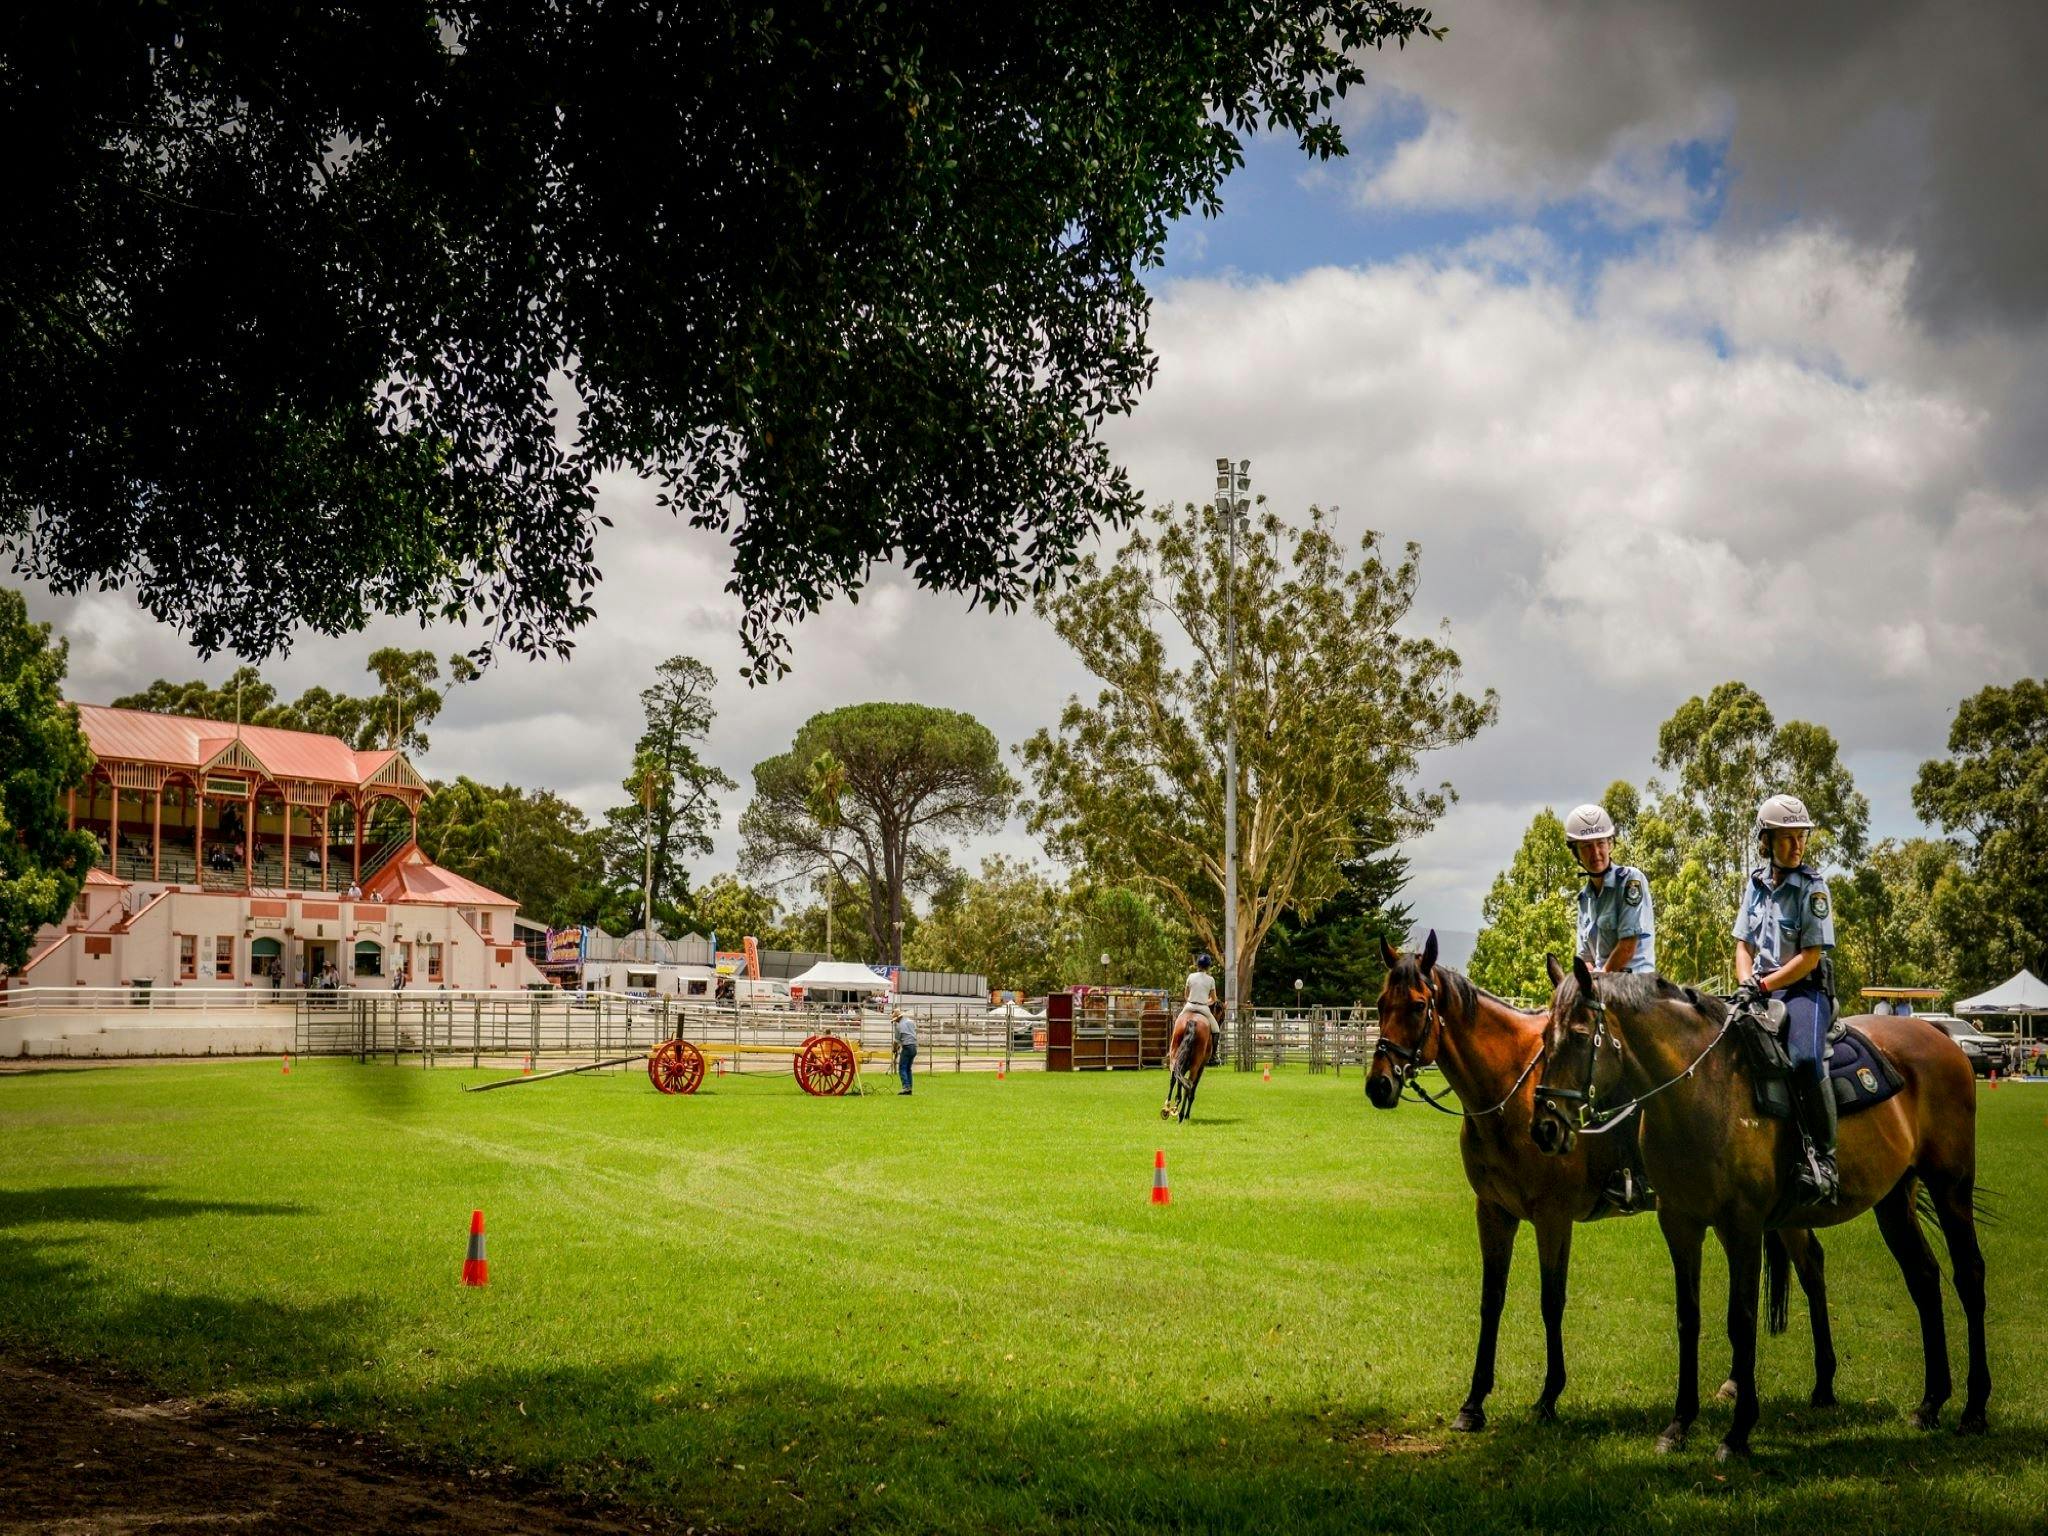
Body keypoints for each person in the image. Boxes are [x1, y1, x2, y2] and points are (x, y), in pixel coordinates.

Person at [1732, 793, 1839, 1204]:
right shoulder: (1756, 884)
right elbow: (1743, 943)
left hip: (1804, 991)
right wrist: (1746, 983)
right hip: (1758, 988)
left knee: (1807, 1059)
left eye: (1802, 837)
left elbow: (1810, 958)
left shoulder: (1813, 888)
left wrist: (1762, 986)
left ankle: (1825, 1162)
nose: (1797, 846)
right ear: (1767, 842)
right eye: (1788, 838)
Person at [1563, 802, 1657, 1214]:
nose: (1596, 852)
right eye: (1587, 847)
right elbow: (1585, 951)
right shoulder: (1585, 896)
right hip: (1601, 991)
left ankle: (1642, 1173)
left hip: (1635, 991)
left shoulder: (1631, 882)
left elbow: (1628, 944)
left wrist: (1595, 977)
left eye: (1601, 843)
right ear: (1577, 854)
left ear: (1612, 843)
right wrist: (1583, 973)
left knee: (1628, 1079)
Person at [892, 1008, 918, 1095]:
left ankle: (906, 1087)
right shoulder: (910, 1022)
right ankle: (910, 1087)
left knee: (902, 1068)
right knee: (908, 1068)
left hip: (907, 1046)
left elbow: (896, 1040)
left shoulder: (899, 1026)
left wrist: (894, 1049)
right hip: (914, 1046)